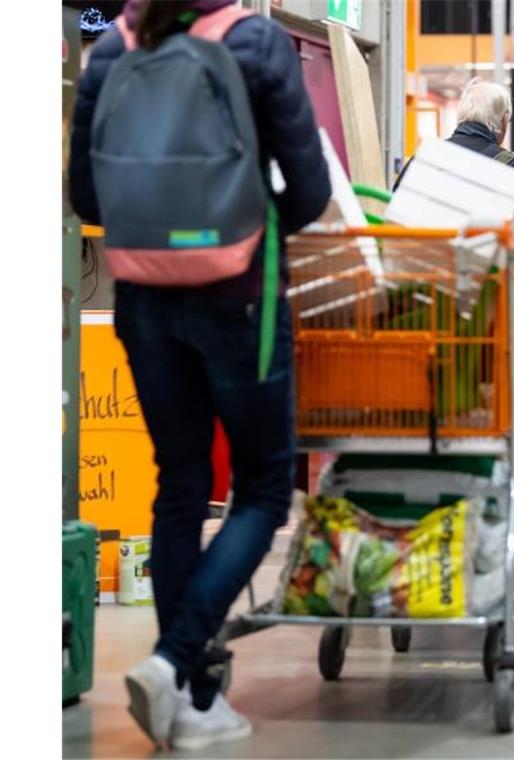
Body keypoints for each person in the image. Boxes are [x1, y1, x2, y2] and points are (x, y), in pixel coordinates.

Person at [69, 0, 330, 750]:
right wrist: (241, 212)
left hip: (143, 303)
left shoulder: (112, 50)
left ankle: (190, 700)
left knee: (178, 485)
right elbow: (309, 192)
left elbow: (87, 196)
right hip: (239, 299)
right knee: (262, 491)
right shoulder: (254, 41)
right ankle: (175, 663)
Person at [395, 79, 514, 287]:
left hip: (430, 297)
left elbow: (395, 223)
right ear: (503, 121)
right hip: (497, 301)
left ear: (462, 116)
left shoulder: (423, 159)